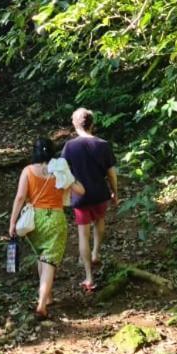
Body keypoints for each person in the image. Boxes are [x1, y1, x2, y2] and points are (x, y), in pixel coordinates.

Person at [9, 138, 84, 320]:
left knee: (42, 256)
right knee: (49, 260)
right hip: (56, 219)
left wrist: (12, 223)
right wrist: (68, 177)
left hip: (34, 220)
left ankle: (48, 297)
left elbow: (20, 197)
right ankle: (42, 303)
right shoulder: (59, 171)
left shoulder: (27, 171)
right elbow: (81, 191)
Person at [61, 108, 118, 292]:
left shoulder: (70, 146)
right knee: (100, 221)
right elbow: (111, 173)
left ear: (74, 124)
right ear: (92, 124)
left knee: (82, 234)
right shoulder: (103, 144)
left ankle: (89, 277)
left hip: (80, 195)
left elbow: (62, 170)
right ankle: (96, 252)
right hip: (100, 192)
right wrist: (115, 192)